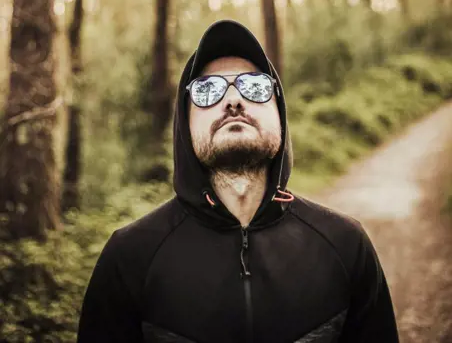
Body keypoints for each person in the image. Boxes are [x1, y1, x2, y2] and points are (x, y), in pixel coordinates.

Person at [77, 19, 400, 343]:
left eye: (255, 86)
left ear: (280, 113)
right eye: (207, 90)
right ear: (185, 124)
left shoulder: (346, 246)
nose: (233, 101)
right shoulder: (130, 257)